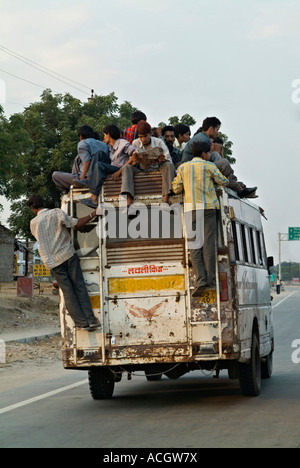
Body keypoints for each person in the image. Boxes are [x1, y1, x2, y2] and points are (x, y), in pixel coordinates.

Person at [27, 195, 100, 331]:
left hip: (53, 262)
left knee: (68, 292)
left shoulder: (33, 223)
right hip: (67, 255)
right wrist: (94, 213)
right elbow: (76, 224)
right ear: (44, 203)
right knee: (79, 287)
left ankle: (81, 323)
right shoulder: (56, 212)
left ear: (33, 208)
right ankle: (91, 320)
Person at [172, 141, 229, 297]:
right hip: (209, 208)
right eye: (208, 153)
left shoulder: (183, 168)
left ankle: (200, 280)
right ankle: (210, 279)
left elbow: (176, 187)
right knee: (208, 244)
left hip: (190, 209)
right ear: (204, 154)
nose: (209, 155)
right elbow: (223, 181)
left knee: (194, 246)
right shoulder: (209, 166)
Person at [73, 124, 138, 208]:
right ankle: (89, 179)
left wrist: (120, 170)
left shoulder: (123, 143)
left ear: (108, 135)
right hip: (112, 167)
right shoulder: (109, 147)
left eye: (104, 135)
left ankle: (94, 198)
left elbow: (135, 155)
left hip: (121, 169)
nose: (104, 137)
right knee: (99, 154)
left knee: (100, 165)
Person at [120, 120, 175, 208]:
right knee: (127, 168)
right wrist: (135, 160)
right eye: (140, 137)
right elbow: (133, 161)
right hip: (142, 169)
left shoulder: (159, 142)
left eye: (145, 136)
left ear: (150, 133)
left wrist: (162, 160)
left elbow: (169, 159)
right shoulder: (135, 143)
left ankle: (165, 199)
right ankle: (129, 201)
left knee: (169, 165)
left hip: (157, 168)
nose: (143, 139)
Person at [52, 125, 110, 193]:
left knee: (55, 175)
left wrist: (82, 180)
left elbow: (87, 161)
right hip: (102, 175)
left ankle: (69, 191)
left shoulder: (83, 143)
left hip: (86, 177)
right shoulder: (104, 145)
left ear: (81, 137)